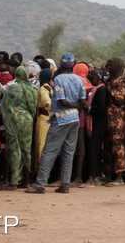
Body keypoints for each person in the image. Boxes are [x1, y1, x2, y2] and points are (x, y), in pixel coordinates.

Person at [29, 54, 84, 194]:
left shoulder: (58, 79)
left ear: (61, 64)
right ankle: (65, 184)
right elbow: (83, 102)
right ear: (73, 64)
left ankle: (40, 183)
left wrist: (71, 105)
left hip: (60, 118)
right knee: (68, 152)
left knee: (49, 151)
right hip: (75, 118)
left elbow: (61, 101)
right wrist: (76, 106)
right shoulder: (79, 79)